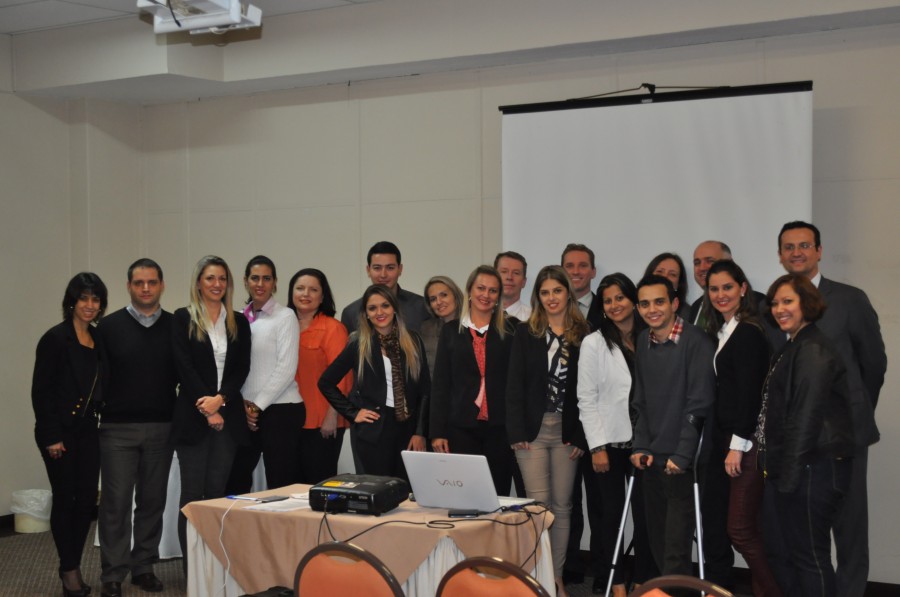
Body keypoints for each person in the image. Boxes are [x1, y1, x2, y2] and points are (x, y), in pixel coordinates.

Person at [776, 221, 885, 597]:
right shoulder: (775, 302)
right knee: (804, 531)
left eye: (804, 245)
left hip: (845, 436)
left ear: (819, 251)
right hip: (796, 439)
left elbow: (873, 364)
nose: (796, 253)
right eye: (789, 247)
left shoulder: (850, 299)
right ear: (780, 255)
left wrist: (852, 410)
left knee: (849, 525)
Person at [759, 274, 855, 596]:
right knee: (785, 553)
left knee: (809, 557)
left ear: (807, 304)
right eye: (775, 303)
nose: (779, 309)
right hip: (800, 468)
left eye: (788, 301)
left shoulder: (812, 349)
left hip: (815, 468)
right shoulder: (795, 345)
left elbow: (805, 418)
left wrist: (787, 480)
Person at [96, 259, 177, 597]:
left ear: (162, 285)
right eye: (139, 283)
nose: (146, 288)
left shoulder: (176, 326)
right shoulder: (107, 327)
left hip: (162, 427)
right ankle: (113, 573)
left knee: (152, 501)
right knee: (115, 503)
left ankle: (143, 566)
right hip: (117, 429)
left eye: (152, 282)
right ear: (128, 286)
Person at [507, 265, 589, 597]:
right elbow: (514, 385)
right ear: (537, 297)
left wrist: (582, 436)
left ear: (568, 293)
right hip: (533, 432)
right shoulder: (526, 333)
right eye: (545, 292)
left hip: (568, 431)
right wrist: (515, 432)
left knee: (563, 506)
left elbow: (591, 390)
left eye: (557, 290)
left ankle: (555, 577)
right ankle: (538, 577)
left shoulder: (585, 334)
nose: (551, 298)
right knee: (539, 507)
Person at [701, 260, 780, 596]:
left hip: (744, 445)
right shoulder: (725, 329)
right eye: (714, 289)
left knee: (740, 529)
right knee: (738, 527)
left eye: (728, 287)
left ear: (743, 288)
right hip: (728, 441)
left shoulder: (748, 332)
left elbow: (749, 395)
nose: (721, 294)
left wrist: (736, 446)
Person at [630, 274, 715, 578]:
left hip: (683, 462)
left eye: (659, 302)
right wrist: (640, 445)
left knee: (676, 548)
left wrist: (682, 455)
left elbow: (699, 404)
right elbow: (640, 400)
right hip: (652, 458)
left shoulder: (697, 342)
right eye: (644, 304)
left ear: (674, 303)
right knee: (657, 540)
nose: (652, 309)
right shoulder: (643, 341)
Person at [171, 255, 251, 567]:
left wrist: (221, 400)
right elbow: (184, 367)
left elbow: (241, 369)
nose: (217, 284)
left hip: (227, 419)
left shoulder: (239, 321)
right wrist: (208, 407)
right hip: (192, 419)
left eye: (222, 279)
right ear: (198, 283)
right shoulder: (182, 318)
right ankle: (191, 570)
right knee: (192, 496)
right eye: (210, 278)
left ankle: (212, 567)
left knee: (216, 494)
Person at [31, 273, 108, 597]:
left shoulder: (99, 338)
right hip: (58, 432)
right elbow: (41, 392)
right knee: (65, 498)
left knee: (87, 500)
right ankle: (69, 569)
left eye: (95, 299)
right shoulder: (55, 339)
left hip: (88, 430)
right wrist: (51, 436)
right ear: (72, 302)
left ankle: (71, 564)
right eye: (83, 298)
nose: (89, 305)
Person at [577, 273, 651, 596]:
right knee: (611, 517)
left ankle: (645, 581)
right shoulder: (593, 342)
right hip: (609, 444)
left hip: (647, 442)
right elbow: (586, 398)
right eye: (607, 300)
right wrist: (597, 448)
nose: (614, 305)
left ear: (633, 300)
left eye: (620, 297)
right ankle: (616, 583)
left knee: (646, 516)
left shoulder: (650, 336)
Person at [318, 285, 429, 478]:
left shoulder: (413, 341)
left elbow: (425, 389)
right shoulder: (358, 344)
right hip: (373, 431)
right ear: (366, 314)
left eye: (385, 305)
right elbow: (326, 382)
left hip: (408, 430)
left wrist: (419, 432)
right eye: (372, 308)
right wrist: (353, 412)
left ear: (394, 308)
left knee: (407, 490)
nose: (379, 312)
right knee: (378, 489)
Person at [431, 265, 517, 495]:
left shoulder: (512, 329)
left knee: (497, 494)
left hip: (500, 428)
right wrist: (437, 432)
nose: (485, 295)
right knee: (464, 495)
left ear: (498, 296)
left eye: (492, 291)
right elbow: (441, 384)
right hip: (460, 427)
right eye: (481, 288)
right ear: (470, 290)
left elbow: (517, 383)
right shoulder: (451, 331)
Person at [232, 256, 304, 490]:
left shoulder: (285, 316)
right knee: (235, 481)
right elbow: (237, 368)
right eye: (255, 278)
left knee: (280, 486)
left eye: (266, 278)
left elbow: (286, 369)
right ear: (245, 281)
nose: (260, 284)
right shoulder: (238, 318)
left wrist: (256, 406)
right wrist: (244, 405)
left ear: (275, 283)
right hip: (246, 410)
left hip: (281, 410)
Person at [559, 242, 602, 587]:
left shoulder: (606, 308)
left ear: (593, 271)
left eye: (582, 265)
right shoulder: (551, 311)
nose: (576, 271)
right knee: (566, 500)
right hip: (564, 424)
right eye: (570, 266)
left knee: (600, 503)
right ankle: (568, 565)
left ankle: (602, 571)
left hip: (599, 423)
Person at [289, 267, 351, 483]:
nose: (305, 294)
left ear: (323, 296)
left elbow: (343, 377)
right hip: (290, 420)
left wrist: (332, 415)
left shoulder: (333, 328)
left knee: (317, 483)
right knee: (291, 485)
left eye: (313, 290)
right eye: (300, 288)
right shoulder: (284, 325)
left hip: (322, 421)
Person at [340, 241, 430, 333]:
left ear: (400, 269)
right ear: (368, 270)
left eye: (390, 268)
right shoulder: (351, 313)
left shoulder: (422, 307)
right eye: (377, 268)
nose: (383, 275)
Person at [420, 275, 464, 378]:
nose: (439, 302)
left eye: (444, 295)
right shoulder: (426, 328)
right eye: (433, 299)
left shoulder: (472, 325)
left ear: (455, 295)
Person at [643, 252, 691, 320]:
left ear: (679, 283)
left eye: (672, 274)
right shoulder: (635, 311)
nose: (665, 277)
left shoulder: (688, 314)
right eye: (660, 271)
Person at [494, 251, 531, 321]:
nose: (509, 277)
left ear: (524, 282)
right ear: (494, 278)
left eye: (516, 273)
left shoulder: (534, 320)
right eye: (504, 272)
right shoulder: (481, 315)